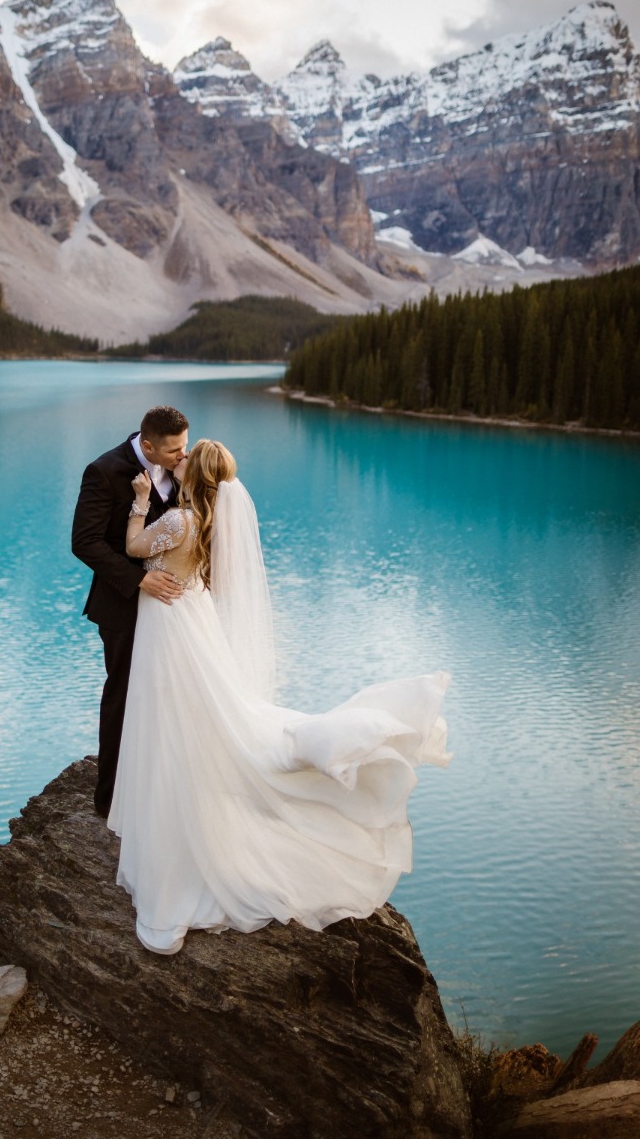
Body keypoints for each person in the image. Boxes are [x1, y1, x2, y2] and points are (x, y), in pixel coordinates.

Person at [108, 439, 452, 956]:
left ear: (193, 472)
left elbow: (134, 546)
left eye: (182, 459)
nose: (173, 462)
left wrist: (138, 503)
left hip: (171, 628)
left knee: (170, 719)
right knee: (193, 718)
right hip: (190, 620)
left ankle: (175, 852)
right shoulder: (207, 521)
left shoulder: (179, 520)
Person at [72, 406, 190, 818]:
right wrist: (139, 579)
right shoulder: (103, 471)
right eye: (174, 449)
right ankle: (110, 801)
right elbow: (84, 542)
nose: (182, 455)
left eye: (185, 446)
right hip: (122, 605)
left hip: (171, 609)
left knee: (166, 696)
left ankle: (155, 789)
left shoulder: (180, 469)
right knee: (123, 697)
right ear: (147, 445)